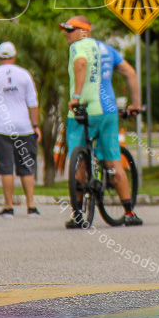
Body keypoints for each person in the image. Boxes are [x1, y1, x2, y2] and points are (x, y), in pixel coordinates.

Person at [60, 15, 142, 229]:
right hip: (107, 111)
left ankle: (78, 216)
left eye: (71, 30)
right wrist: (135, 104)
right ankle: (129, 212)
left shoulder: (78, 47)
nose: (67, 34)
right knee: (113, 161)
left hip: (82, 110)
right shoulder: (107, 49)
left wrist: (76, 97)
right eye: (66, 30)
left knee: (78, 160)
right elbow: (130, 72)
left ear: (84, 31)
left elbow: (81, 64)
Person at [0, 41, 42, 217]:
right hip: (24, 127)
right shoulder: (24, 75)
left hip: (1, 128)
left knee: (6, 168)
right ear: (14, 56)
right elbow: (33, 103)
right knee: (26, 168)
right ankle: (31, 206)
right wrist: (36, 125)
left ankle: (8, 207)